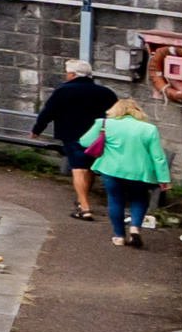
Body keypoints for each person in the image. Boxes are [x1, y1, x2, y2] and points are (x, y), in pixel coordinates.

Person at [38, 64, 123, 222]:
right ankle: (81, 199)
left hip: (72, 135)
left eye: (67, 73)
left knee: (78, 169)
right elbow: (116, 114)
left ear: (72, 74)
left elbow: (48, 111)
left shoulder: (64, 91)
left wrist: (37, 129)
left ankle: (85, 208)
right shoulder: (106, 92)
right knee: (89, 168)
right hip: (98, 137)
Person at [91, 101, 174, 245]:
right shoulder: (149, 129)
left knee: (115, 200)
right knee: (139, 199)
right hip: (140, 172)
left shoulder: (104, 124)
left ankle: (119, 236)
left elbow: (85, 142)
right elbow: (158, 157)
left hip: (111, 169)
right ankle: (135, 228)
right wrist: (164, 179)